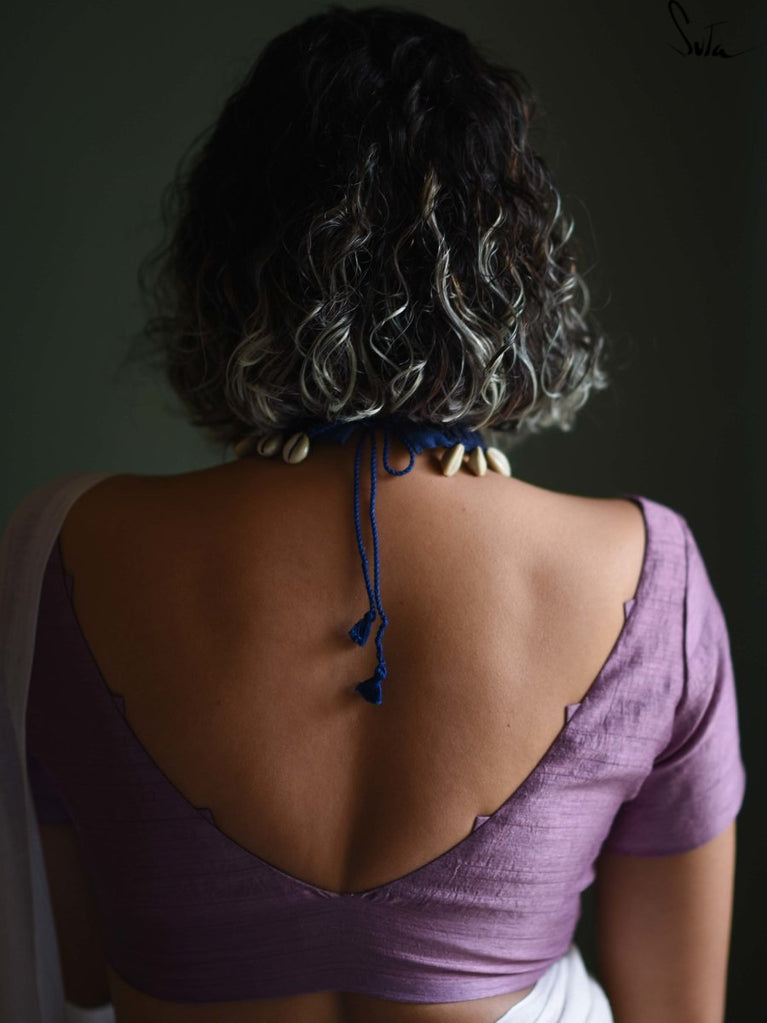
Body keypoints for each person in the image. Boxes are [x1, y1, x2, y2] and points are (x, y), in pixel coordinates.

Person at [0, 5, 746, 1023]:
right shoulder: (645, 572)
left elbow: (79, 975)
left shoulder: (65, 548)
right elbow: (676, 1010)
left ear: (228, 261)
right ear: (513, 265)